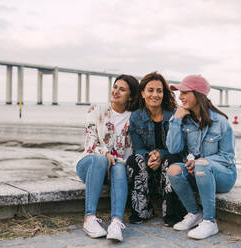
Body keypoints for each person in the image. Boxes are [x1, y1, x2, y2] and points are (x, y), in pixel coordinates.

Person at [166, 75, 237, 239]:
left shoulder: (221, 122)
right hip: (197, 174)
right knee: (174, 170)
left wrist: (200, 162)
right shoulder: (183, 120)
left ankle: (210, 222)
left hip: (224, 176)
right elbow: (173, 148)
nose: (180, 96)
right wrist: (176, 120)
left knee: (203, 164)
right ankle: (194, 213)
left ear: (198, 94)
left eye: (185, 92)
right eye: (180, 92)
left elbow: (227, 157)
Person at [75, 74, 139, 242]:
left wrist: (115, 160)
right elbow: (90, 142)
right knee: (101, 159)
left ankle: (116, 223)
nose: (116, 91)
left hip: (115, 169)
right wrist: (105, 153)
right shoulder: (96, 109)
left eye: (122, 89)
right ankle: (89, 218)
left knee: (119, 166)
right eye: (115, 87)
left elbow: (131, 151)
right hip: (90, 163)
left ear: (131, 96)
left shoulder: (134, 117)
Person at [127, 72, 187, 227]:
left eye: (159, 91)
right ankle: (141, 211)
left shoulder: (174, 115)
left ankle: (171, 214)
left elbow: (180, 149)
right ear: (142, 93)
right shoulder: (135, 117)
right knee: (134, 159)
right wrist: (150, 157)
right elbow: (138, 148)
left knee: (171, 159)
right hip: (148, 168)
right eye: (150, 90)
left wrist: (160, 154)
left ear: (164, 93)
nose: (155, 94)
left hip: (167, 168)